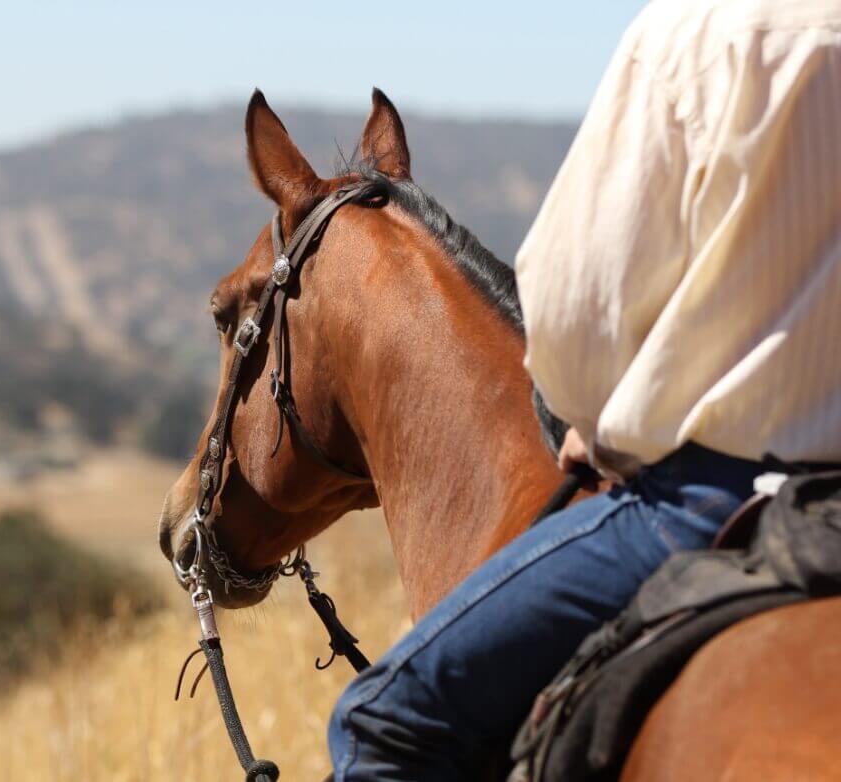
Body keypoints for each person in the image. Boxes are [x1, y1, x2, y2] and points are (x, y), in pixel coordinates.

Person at [327, 0, 841, 779]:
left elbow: (573, 300)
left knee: (382, 723)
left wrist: (592, 418)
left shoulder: (700, 34)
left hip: (718, 494)